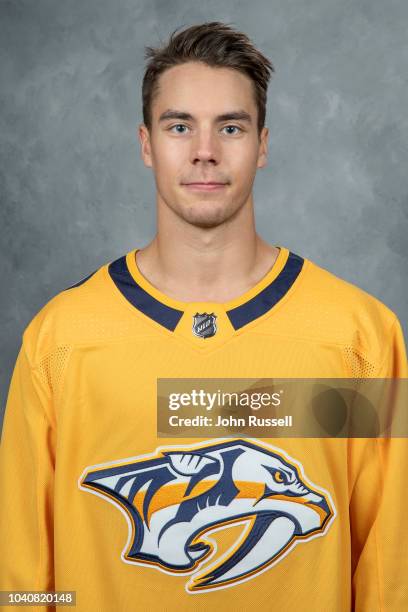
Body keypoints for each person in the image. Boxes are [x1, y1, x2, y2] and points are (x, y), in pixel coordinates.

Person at [1, 21, 407, 612]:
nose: (205, 151)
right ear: (146, 144)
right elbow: (22, 575)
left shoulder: (359, 337)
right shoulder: (62, 340)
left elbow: (390, 569)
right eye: (179, 125)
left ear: (263, 144)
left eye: (231, 127)